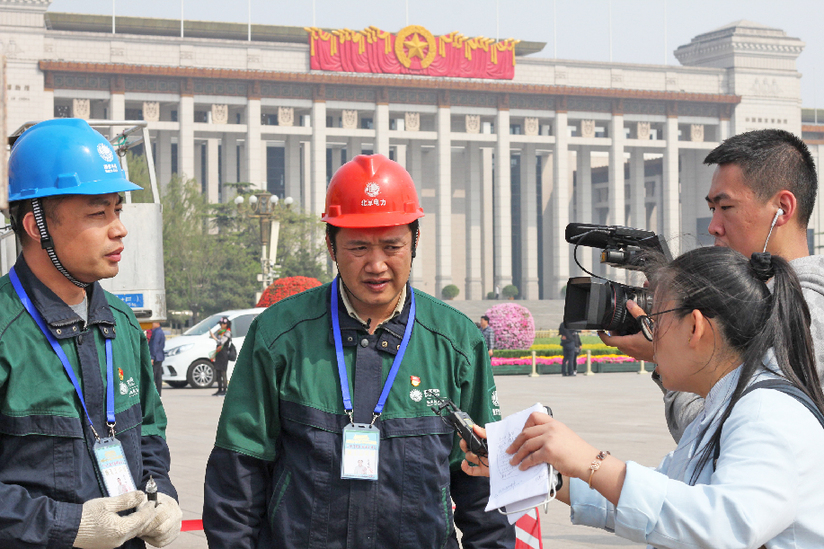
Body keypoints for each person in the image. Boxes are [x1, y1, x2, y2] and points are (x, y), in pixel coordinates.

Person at [203, 154, 514, 548]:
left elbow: (484, 488)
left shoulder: (456, 341)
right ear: (331, 245)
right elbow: (237, 477)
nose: (376, 264)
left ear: (415, 242)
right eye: (359, 247)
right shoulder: (280, 335)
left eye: (392, 245)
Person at [464, 246, 824, 549]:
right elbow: (660, 499)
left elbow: (725, 526)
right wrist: (543, 471)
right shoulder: (724, 407)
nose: (647, 336)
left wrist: (589, 459)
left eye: (655, 320)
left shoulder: (766, 413)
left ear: (695, 327)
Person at [0, 118, 181, 548]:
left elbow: (149, 429)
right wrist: (68, 526)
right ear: (37, 226)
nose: (119, 228)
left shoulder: (121, 323)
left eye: (118, 209)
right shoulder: (7, 332)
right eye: (98, 213)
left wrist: (161, 494)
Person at [601, 129, 824, 442]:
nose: (713, 226)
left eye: (726, 207)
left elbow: (716, 436)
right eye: (712, 209)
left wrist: (666, 350)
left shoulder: (801, 309)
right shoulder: (769, 298)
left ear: (783, 208)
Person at [208, 317, 231, 396]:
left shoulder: (227, 333)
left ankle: (224, 390)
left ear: (226, 324)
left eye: (222, 324)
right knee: (218, 372)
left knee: (223, 372)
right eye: (220, 324)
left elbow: (221, 342)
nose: (221, 325)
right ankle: (219, 389)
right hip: (219, 354)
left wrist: (213, 337)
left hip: (224, 354)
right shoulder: (220, 332)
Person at [149, 321, 166, 395]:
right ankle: (159, 393)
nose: (152, 324)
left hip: (156, 357)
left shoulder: (157, 333)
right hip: (159, 356)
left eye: (153, 323)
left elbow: (155, 345)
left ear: (157, 323)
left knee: (154, 375)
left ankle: (155, 393)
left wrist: (152, 357)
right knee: (158, 376)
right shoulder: (160, 332)